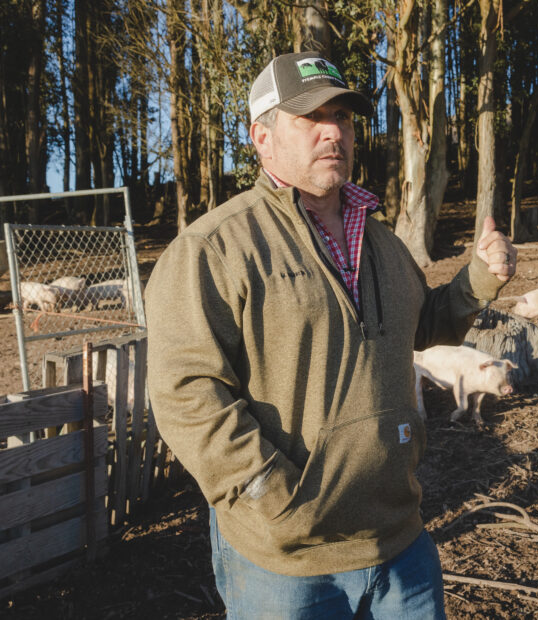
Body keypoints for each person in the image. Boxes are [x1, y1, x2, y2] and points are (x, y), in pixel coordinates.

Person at [145, 51, 517, 619]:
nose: (333, 131)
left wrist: (478, 279)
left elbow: (417, 328)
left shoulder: (381, 240)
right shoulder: (214, 248)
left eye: (342, 116)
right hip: (285, 562)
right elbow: (184, 393)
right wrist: (266, 492)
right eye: (310, 117)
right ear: (261, 137)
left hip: (400, 541)